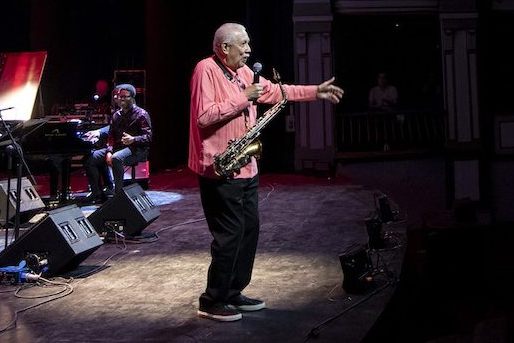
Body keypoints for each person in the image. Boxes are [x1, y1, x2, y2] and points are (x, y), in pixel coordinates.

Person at [189, 23, 343, 322]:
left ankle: (233, 291)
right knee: (229, 235)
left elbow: (276, 92)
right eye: (243, 44)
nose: (248, 50)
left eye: (249, 44)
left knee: (249, 231)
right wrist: (243, 97)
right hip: (219, 168)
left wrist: (315, 92)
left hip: (245, 165)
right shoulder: (205, 70)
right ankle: (213, 299)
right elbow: (204, 116)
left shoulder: (243, 72)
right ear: (224, 48)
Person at [82, 84, 152, 203]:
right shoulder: (116, 115)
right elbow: (110, 136)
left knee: (116, 158)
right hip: (118, 148)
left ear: (132, 97)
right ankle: (97, 193)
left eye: (125, 96)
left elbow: (148, 137)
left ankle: (119, 196)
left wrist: (133, 139)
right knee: (90, 159)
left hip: (136, 149)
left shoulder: (141, 114)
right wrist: (109, 151)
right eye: (119, 96)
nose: (121, 99)